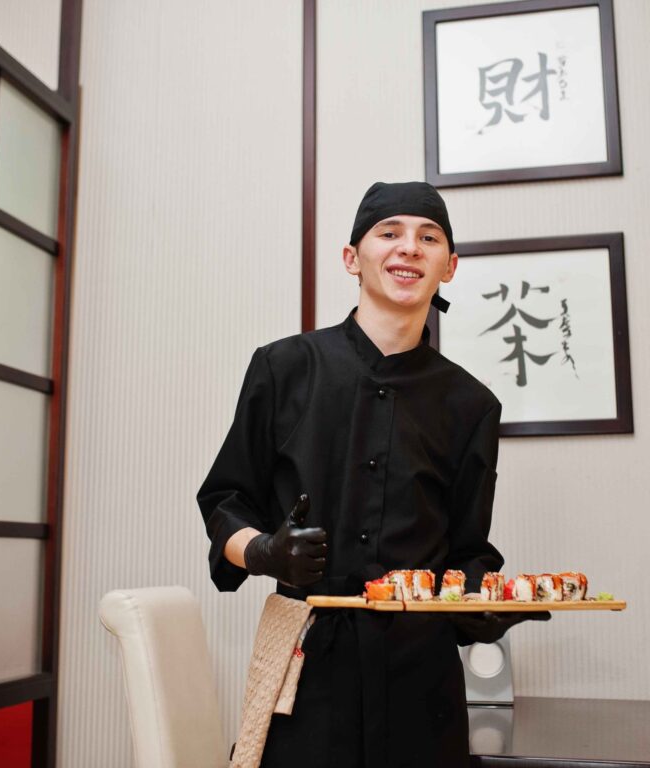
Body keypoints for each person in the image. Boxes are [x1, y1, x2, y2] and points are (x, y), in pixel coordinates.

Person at [198, 181, 546, 768]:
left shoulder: (471, 404)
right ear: (351, 258)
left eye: (428, 238)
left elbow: (468, 549)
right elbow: (225, 500)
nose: (409, 247)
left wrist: (476, 606)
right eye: (390, 233)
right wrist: (263, 552)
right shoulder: (283, 368)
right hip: (305, 672)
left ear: (450, 267)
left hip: (421, 683)